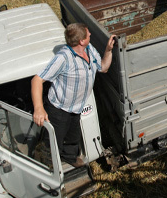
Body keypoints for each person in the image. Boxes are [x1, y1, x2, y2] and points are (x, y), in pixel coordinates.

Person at [31, 23, 116, 167]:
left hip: (76, 108)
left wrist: (108, 50)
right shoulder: (63, 58)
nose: (90, 35)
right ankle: (47, 167)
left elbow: (103, 67)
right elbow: (37, 80)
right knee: (52, 142)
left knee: (73, 137)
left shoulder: (89, 49)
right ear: (81, 41)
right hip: (58, 109)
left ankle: (70, 158)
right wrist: (39, 108)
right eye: (88, 34)